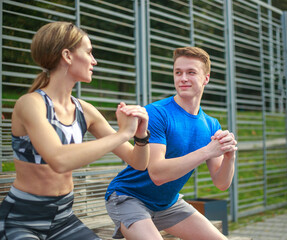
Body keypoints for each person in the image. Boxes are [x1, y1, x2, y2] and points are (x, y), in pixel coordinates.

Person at [0, 21, 150, 240]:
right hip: (22, 220)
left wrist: (140, 136)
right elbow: (59, 160)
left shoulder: (84, 111)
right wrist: (123, 133)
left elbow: (138, 162)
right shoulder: (30, 104)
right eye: (89, 52)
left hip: (63, 218)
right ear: (67, 56)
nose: (94, 60)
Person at [105, 46, 238, 240]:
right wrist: (207, 151)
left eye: (191, 72)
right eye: (178, 72)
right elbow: (157, 173)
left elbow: (221, 183)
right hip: (129, 197)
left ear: (206, 79)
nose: (183, 78)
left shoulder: (211, 125)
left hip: (167, 203)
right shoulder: (157, 113)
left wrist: (229, 156)